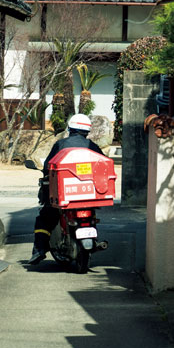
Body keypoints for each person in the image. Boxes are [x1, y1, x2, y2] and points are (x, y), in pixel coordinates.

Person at [27, 113, 104, 266]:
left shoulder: (61, 145)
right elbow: (102, 166)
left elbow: (49, 165)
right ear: (87, 131)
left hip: (65, 195)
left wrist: (46, 175)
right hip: (88, 195)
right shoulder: (93, 147)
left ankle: (39, 249)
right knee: (92, 215)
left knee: (45, 216)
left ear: (70, 129)